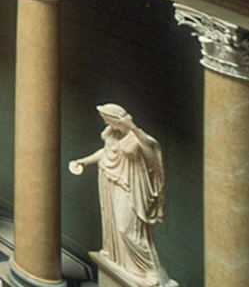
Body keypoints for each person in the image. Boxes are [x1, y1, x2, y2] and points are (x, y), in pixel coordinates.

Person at [69, 105, 173, 287]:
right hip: (110, 183)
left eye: (106, 118)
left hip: (130, 189)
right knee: (114, 225)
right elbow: (106, 153)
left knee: (127, 229)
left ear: (117, 119)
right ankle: (117, 257)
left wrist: (131, 127)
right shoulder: (112, 134)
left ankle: (149, 270)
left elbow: (151, 150)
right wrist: (84, 161)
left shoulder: (138, 138)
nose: (104, 121)